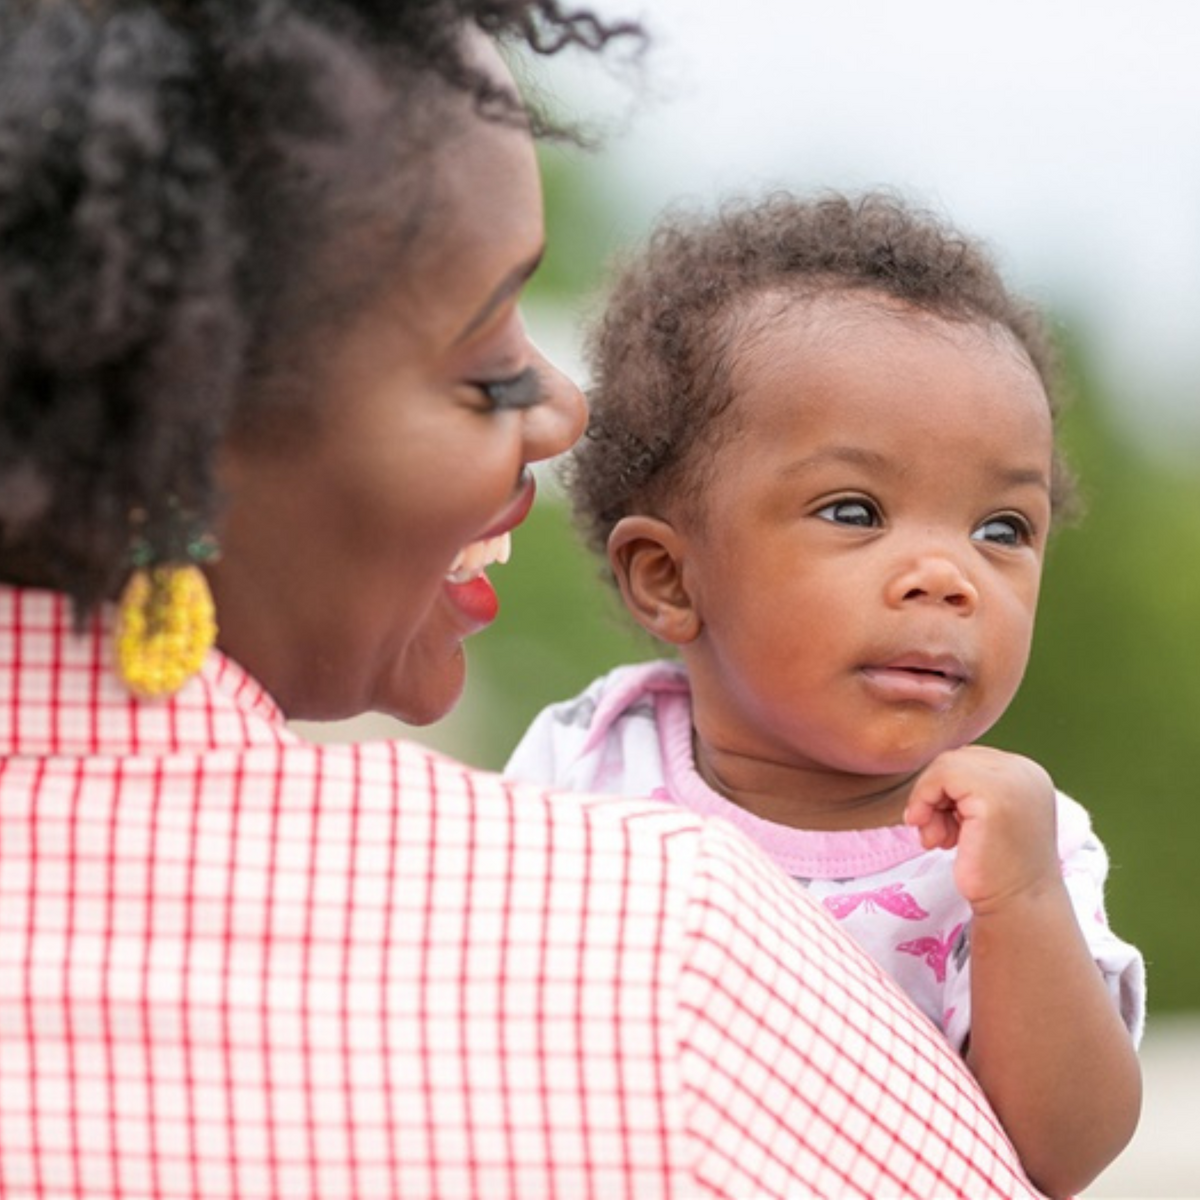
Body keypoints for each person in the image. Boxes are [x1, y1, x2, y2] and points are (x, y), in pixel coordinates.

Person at [1, 2, 1056, 1194]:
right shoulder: (671, 951)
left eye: (1006, 528)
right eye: (489, 363)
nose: (564, 411)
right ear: (187, 423)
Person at [506, 190, 1145, 1198]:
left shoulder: (1019, 845)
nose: (948, 574)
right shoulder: (591, 762)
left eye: (1003, 529)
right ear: (671, 578)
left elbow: (1064, 1154)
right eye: (856, 510)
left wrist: (1019, 899)